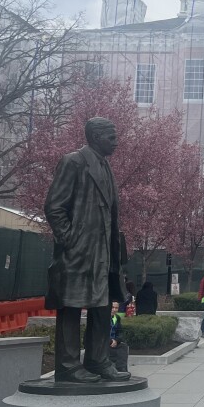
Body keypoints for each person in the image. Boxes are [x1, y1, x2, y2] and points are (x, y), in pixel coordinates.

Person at [44, 117, 130, 383]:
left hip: (103, 251)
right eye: (111, 137)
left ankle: (97, 360)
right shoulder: (74, 162)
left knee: (102, 306)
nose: (116, 143)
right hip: (78, 251)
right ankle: (69, 365)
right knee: (70, 307)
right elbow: (54, 207)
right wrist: (71, 240)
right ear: (95, 137)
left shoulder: (105, 167)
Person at [108, 301, 129, 373]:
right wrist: (110, 341)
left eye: (116, 308)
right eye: (112, 307)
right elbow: (99, 334)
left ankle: (122, 369)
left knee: (123, 346)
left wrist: (116, 340)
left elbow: (120, 332)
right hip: (104, 342)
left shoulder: (117, 318)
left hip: (114, 341)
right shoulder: (103, 318)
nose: (114, 310)